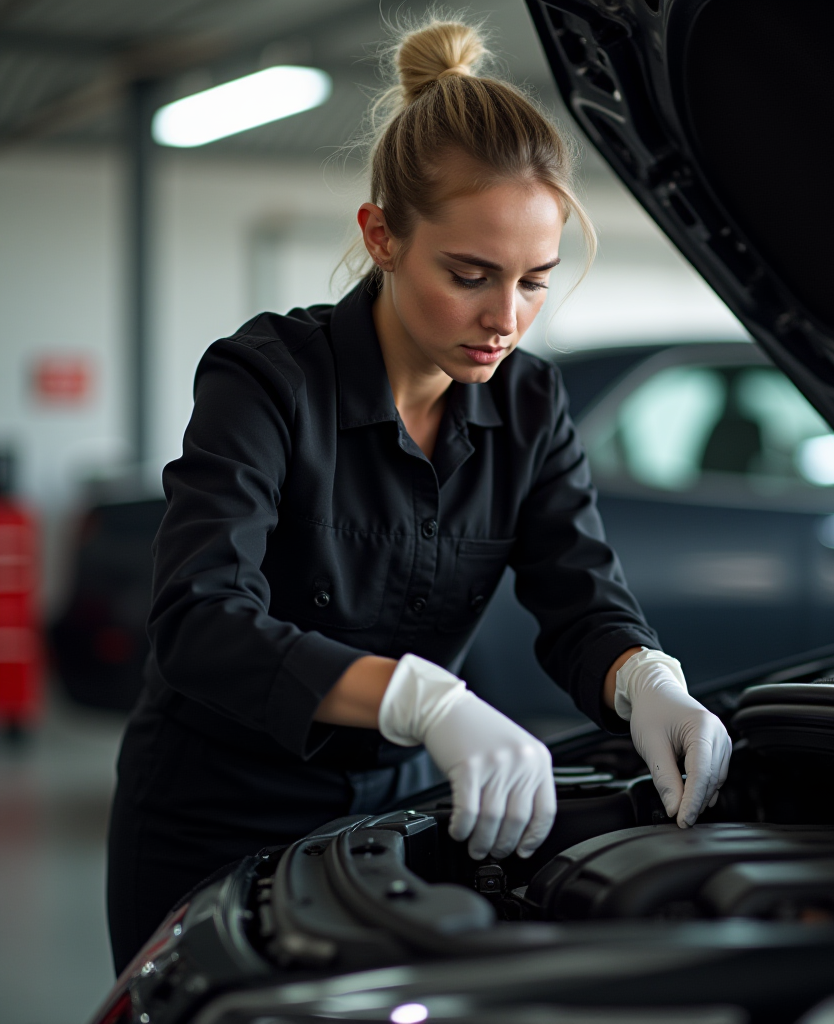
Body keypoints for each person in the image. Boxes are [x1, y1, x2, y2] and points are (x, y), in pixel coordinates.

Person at [106, 18, 732, 974]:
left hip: (397, 820)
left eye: (534, 282)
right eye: (469, 276)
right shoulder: (267, 379)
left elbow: (580, 601)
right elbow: (199, 619)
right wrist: (424, 698)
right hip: (212, 818)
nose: (505, 319)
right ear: (382, 236)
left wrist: (646, 680)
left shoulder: (531, 400)